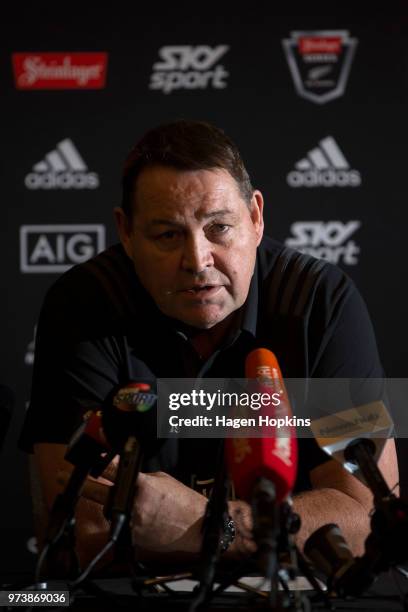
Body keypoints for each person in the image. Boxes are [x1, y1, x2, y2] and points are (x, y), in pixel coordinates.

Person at [20, 120, 398, 572]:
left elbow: (366, 519)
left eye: (219, 228)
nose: (197, 261)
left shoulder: (319, 303)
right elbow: (82, 531)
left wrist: (212, 525)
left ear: (256, 218)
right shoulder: (85, 304)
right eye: (167, 235)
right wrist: (270, 532)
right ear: (126, 232)